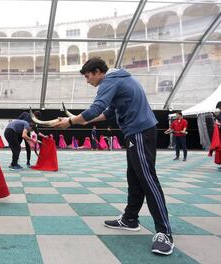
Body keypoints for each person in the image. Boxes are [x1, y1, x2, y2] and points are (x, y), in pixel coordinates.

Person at [53, 58, 173, 255]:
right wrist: (84, 122)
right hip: (138, 131)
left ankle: (165, 233)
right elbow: (109, 111)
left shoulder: (109, 81)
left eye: (88, 76)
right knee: (134, 177)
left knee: (148, 179)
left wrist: (71, 121)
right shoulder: (119, 79)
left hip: (140, 131)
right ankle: (130, 219)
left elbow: (96, 108)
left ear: (98, 72)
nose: (87, 81)